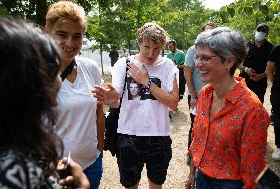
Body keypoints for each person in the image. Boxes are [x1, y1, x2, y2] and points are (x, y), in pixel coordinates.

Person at [0, 18, 89, 189]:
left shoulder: (19, 141)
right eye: (51, 67)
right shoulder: (12, 172)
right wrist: (83, 186)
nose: (59, 79)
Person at [93, 22, 179, 189]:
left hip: (159, 134)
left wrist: (146, 82)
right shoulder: (123, 65)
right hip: (129, 135)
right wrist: (111, 98)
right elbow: (116, 96)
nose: (150, 53)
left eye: (156, 48)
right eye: (146, 46)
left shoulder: (168, 66)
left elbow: (173, 103)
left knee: (156, 183)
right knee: (130, 184)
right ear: (138, 42)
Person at [185, 27, 269, 189]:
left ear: (229, 61)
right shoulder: (205, 94)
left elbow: (254, 168)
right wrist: (192, 171)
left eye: (205, 58)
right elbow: (198, 137)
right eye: (197, 57)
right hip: (202, 178)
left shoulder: (252, 109)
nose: (197, 63)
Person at [45, 1, 104, 188]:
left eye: (77, 36)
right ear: (48, 32)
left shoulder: (90, 67)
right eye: (62, 35)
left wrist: (99, 150)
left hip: (91, 163)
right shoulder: (33, 72)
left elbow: (98, 111)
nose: (70, 43)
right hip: (53, 169)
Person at [184, 22, 217, 152]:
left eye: (213, 32)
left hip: (214, 95)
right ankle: (191, 154)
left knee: (212, 126)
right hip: (196, 96)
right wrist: (193, 96)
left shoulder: (218, 51)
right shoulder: (193, 50)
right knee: (196, 126)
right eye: (206, 31)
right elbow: (187, 73)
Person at [239, 23, 274, 103]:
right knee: (241, 106)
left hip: (260, 84)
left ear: (267, 34)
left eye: (263, 31)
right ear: (255, 31)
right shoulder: (246, 45)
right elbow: (237, 63)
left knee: (257, 106)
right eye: (259, 30)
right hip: (244, 82)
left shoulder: (271, 48)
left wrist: (261, 75)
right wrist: (246, 69)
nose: (260, 32)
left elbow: (273, 68)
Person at [266, 45, 280, 160]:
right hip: (278, 92)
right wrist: (276, 84)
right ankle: (279, 147)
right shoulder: (277, 49)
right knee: (278, 119)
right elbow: (268, 70)